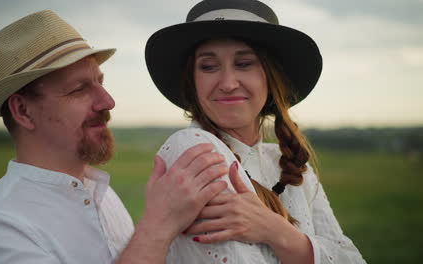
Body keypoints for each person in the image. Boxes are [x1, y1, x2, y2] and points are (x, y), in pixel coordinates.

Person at [0, 10, 229, 263]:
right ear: (23, 111)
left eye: (100, 82)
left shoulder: (101, 193)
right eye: (78, 89)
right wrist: (159, 225)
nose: (107, 101)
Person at [145, 0, 366, 263]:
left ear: (272, 78)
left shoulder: (292, 167)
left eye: (244, 63)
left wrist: (276, 230)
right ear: (192, 81)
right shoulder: (194, 148)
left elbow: (350, 258)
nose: (227, 83)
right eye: (208, 66)